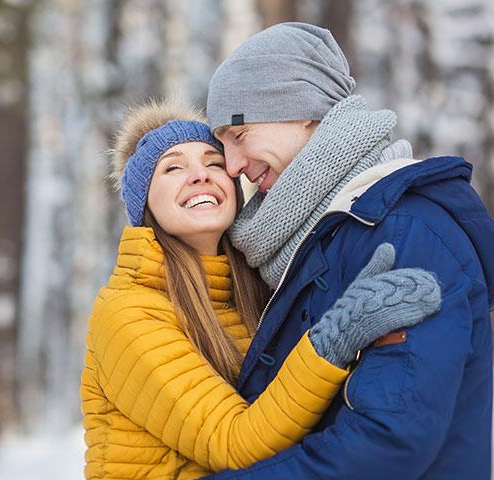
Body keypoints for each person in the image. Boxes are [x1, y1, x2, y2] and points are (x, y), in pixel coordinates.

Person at [205, 22, 494, 480]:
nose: (233, 167)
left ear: (301, 110)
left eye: (240, 135)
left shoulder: (407, 234)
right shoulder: (314, 236)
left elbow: (388, 440)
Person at [80, 100, 441, 479]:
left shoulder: (255, 289)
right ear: (144, 206)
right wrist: (337, 336)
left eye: (214, 163)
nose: (201, 175)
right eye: (173, 167)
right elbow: (234, 442)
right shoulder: (128, 313)